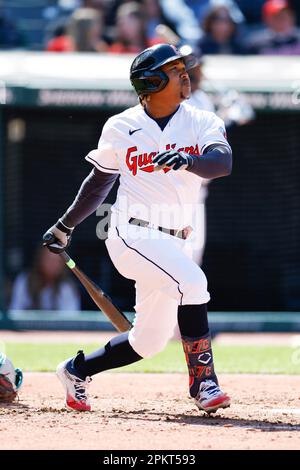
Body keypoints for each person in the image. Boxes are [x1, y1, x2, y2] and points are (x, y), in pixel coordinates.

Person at [43, 43, 232, 414]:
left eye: (183, 68)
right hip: (132, 234)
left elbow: (221, 163)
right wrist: (65, 225)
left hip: (176, 240)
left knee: (148, 341)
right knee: (193, 283)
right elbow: (99, 183)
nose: (185, 75)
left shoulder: (202, 120)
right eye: (175, 70)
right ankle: (204, 384)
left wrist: (187, 159)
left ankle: (75, 369)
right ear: (153, 80)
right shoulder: (121, 126)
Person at [9, 246, 80, 311]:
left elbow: (71, 319)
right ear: (40, 259)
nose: (52, 264)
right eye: (49, 259)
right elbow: (15, 312)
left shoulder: (67, 287)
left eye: (57, 261)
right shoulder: (24, 280)